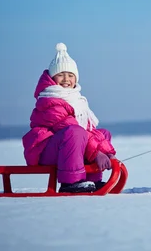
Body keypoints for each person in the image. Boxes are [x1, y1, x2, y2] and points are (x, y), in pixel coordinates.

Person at [22, 43, 116, 193]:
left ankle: (93, 179)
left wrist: (108, 152)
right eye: (61, 74)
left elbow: (89, 130)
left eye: (70, 75)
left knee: (102, 133)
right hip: (46, 151)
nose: (66, 79)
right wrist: (98, 152)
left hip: (66, 149)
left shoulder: (77, 100)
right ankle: (71, 182)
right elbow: (69, 126)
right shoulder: (49, 100)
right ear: (52, 78)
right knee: (75, 132)